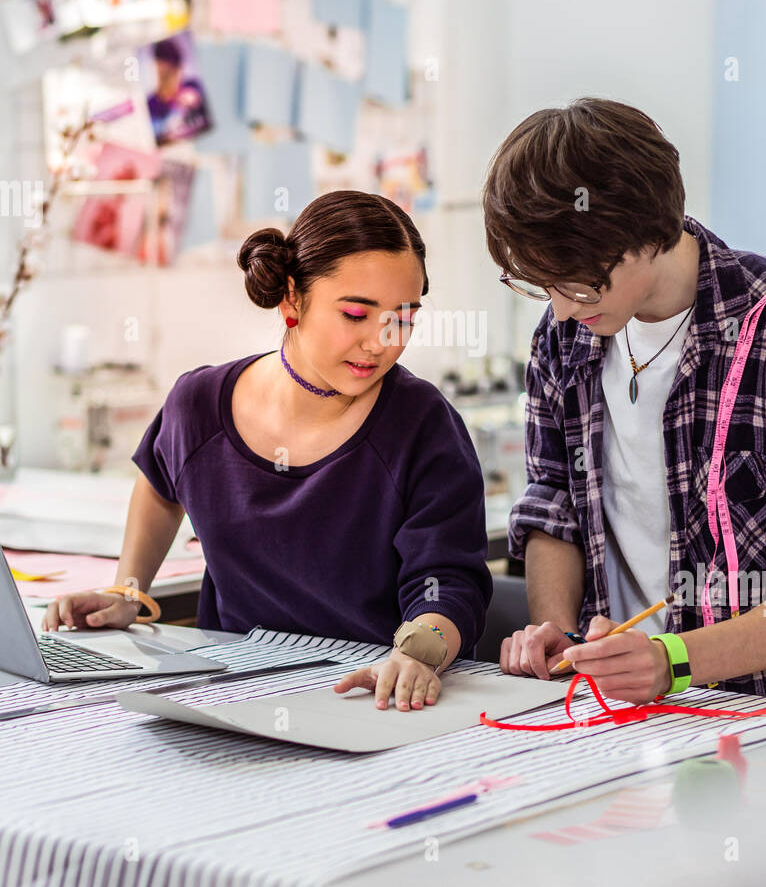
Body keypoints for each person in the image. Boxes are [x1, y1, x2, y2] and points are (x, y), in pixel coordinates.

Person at [43, 190, 492, 711]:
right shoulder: (200, 404)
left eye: (403, 317)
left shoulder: (421, 422)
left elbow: (450, 580)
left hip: (373, 695)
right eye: (355, 314)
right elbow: (162, 484)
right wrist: (128, 590)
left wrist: (417, 655)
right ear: (292, 299)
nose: (381, 343)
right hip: (234, 692)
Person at [482, 97, 766, 704]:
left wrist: (673, 663)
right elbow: (552, 502)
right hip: (605, 707)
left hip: (752, 718)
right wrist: (557, 630)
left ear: (648, 233)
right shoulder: (563, 335)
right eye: (541, 285)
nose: (561, 308)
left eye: (578, 283)